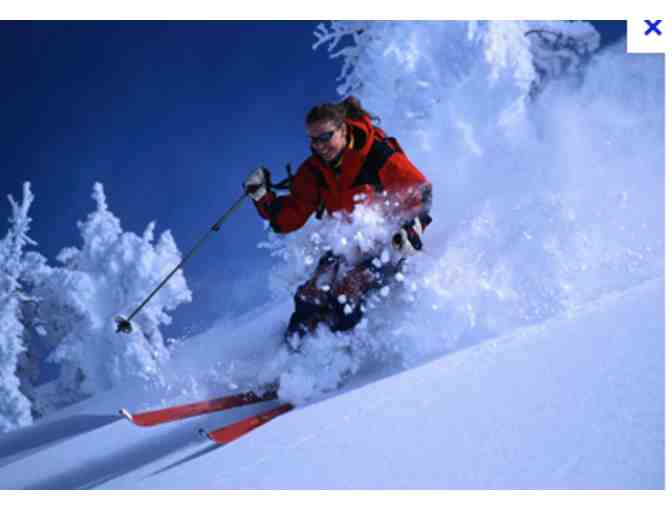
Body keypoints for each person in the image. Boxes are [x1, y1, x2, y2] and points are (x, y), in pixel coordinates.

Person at [244, 96, 432, 352]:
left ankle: (340, 357)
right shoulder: (314, 171)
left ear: (343, 130)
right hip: (348, 244)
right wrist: (263, 198)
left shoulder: (375, 153)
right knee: (310, 295)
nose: (319, 146)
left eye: (325, 137)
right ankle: (291, 357)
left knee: (347, 292)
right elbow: (292, 215)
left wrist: (412, 228)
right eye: (313, 139)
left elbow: (419, 191)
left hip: (387, 242)